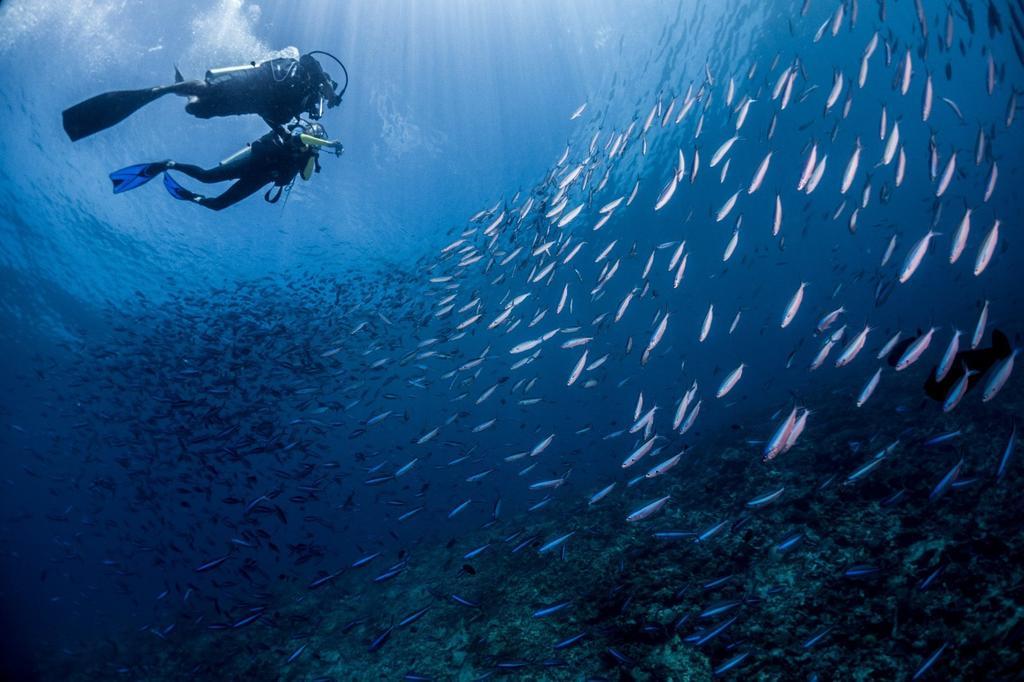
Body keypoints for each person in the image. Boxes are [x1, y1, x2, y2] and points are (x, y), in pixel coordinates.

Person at [62, 50, 347, 142]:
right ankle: (167, 89)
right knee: (210, 90)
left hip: (251, 103)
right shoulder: (313, 74)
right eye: (327, 98)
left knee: (197, 111)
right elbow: (308, 59)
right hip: (257, 83)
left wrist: (280, 130)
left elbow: (273, 114)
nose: (324, 104)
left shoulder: (302, 104)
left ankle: (180, 88)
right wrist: (328, 87)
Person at [109, 122, 343, 211]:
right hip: (252, 162)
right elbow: (302, 139)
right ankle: (169, 164)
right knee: (207, 177)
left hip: (258, 179)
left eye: (318, 137)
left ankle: (191, 197)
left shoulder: (309, 153)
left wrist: (314, 153)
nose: (314, 136)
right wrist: (328, 143)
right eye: (315, 133)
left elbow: (306, 177)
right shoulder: (297, 136)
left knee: (218, 205)